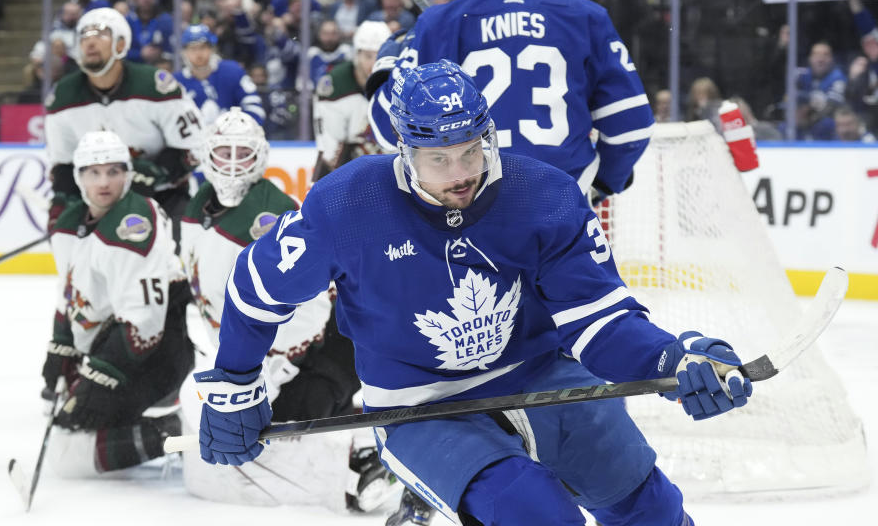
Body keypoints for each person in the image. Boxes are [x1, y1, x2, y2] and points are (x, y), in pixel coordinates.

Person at [190, 61, 752, 526]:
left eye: (470, 151)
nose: (460, 172)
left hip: (540, 373)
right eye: (438, 159)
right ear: (404, 153)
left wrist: (671, 356)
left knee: (652, 510)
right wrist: (236, 385)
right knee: (534, 514)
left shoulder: (543, 196)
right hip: (420, 405)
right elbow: (254, 289)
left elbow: (600, 321)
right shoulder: (348, 205)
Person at [367, 0, 654, 205]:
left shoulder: (440, 23)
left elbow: (388, 128)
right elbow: (630, 127)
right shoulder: (585, 17)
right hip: (561, 202)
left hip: (473, 207)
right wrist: (602, 182)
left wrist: (386, 64)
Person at [178, 108, 393, 511]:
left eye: (243, 155)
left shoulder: (270, 214)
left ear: (259, 158)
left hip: (320, 349)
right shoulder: (195, 209)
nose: (231, 165)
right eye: (223, 153)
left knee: (275, 426)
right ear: (207, 156)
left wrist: (272, 371)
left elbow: (309, 311)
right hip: (260, 356)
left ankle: (368, 457)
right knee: (227, 420)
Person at [41, 130, 193, 476]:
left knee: (75, 454)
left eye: (113, 171)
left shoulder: (133, 223)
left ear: (128, 174)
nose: (104, 182)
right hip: (113, 347)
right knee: (70, 439)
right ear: (78, 178)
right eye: (93, 172)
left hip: (157, 357)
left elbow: (146, 324)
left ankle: (179, 433)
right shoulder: (69, 224)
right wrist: (61, 346)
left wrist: (99, 377)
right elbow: (71, 294)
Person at [44, 7, 204, 231]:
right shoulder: (63, 96)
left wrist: (156, 174)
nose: (90, 43)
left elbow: (193, 147)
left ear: (120, 44)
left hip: (164, 197)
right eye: (84, 36)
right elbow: (63, 165)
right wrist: (61, 206)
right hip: (97, 203)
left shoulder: (156, 87)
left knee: (176, 257)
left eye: (100, 35)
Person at [312, 20, 391, 180]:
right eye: (368, 56)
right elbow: (330, 148)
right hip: (346, 168)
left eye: (380, 55)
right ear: (357, 54)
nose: (374, 63)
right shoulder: (335, 84)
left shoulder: (398, 81)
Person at [174, 24, 265, 126]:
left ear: (212, 49)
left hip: (233, 138)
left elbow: (255, 108)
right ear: (184, 52)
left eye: (203, 47)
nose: (198, 53)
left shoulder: (233, 71)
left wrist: (238, 129)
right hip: (194, 140)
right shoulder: (177, 83)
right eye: (193, 48)